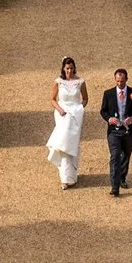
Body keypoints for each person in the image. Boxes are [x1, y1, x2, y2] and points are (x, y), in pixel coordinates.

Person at [100, 66, 132, 197]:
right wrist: (109, 119)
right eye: (117, 81)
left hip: (128, 131)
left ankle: (122, 177)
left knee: (126, 154)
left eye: (122, 81)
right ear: (115, 80)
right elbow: (103, 111)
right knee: (115, 157)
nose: (120, 84)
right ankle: (115, 187)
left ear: (126, 80)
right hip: (114, 131)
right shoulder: (108, 94)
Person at [47, 57, 86, 188]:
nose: (69, 71)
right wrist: (60, 109)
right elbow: (52, 99)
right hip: (62, 115)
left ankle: (72, 176)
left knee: (72, 144)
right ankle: (65, 178)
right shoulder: (58, 82)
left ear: (74, 68)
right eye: (67, 68)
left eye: (71, 68)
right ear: (63, 68)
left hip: (75, 115)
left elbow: (85, 99)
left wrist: (79, 110)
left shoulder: (80, 81)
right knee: (63, 145)